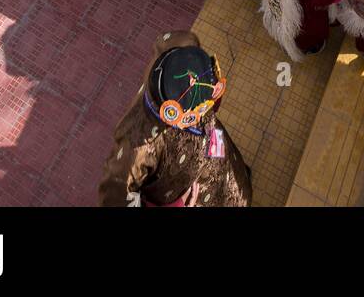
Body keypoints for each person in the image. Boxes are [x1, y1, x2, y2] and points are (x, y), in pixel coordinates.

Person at [98, 32, 252, 208]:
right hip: (194, 197)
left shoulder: (180, 46)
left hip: (220, 159)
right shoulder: (136, 148)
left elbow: (182, 39)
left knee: (233, 180)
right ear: (174, 116)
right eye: (199, 112)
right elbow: (113, 201)